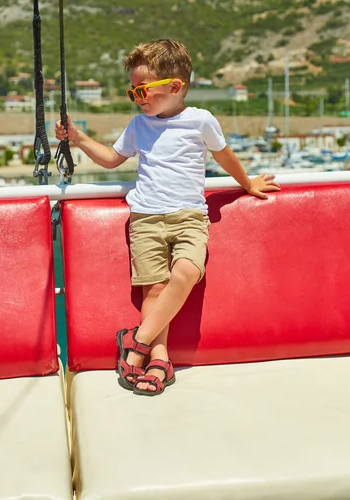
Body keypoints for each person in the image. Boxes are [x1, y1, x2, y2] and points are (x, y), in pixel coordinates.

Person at [55, 38, 280, 397]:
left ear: (175, 86)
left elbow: (224, 156)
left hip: (190, 217)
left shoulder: (201, 121)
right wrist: (79, 139)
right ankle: (159, 358)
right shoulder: (139, 125)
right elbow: (112, 159)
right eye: (133, 92)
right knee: (154, 289)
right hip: (145, 218)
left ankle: (136, 341)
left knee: (187, 272)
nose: (138, 97)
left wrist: (247, 182)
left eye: (142, 89)